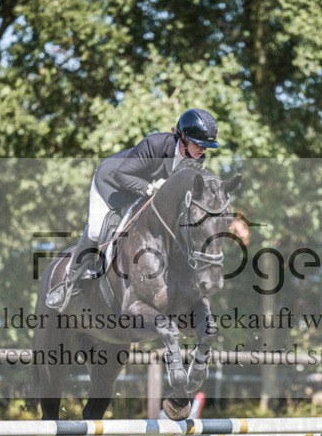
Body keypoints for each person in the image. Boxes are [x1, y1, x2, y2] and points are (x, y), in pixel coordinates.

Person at [45, 108, 220, 311]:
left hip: (146, 193)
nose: (202, 150)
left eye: (206, 147)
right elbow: (122, 174)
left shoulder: (196, 158)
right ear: (182, 137)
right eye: (199, 144)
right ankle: (68, 282)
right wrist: (148, 188)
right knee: (95, 229)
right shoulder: (155, 145)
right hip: (113, 185)